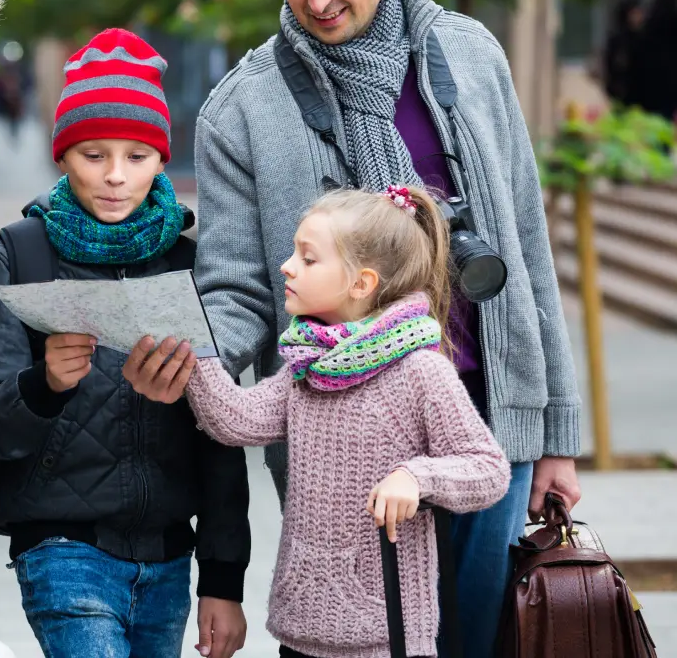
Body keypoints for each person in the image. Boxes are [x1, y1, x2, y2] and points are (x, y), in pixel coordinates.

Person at [127, 0, 581, 656]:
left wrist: (557, 435)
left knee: (474, 641)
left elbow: (527, 251)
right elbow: (237, 288)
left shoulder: (470, 56)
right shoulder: (244, 107)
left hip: (485, 417)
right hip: (340, 455)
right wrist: (190, 353)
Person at [0, 28, 251, 658]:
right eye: (94, 155)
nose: (117, 177)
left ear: (161, 158)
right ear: (63, 156)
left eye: (138, 156)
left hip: (170, 556)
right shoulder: (21, 253)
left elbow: (222, 438)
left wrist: (223, 580)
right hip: (62, 550)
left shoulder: (191, 262)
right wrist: (44, 386)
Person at [135, 185, 511, 657]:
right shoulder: (307, 366)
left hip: (386, 634)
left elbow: (488, 470)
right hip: (304, 628)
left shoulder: (420, 370)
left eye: (308, 259)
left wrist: (417, 476)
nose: (287, 266)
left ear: (361, 283)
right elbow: (236, 420)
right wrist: (193, 346)